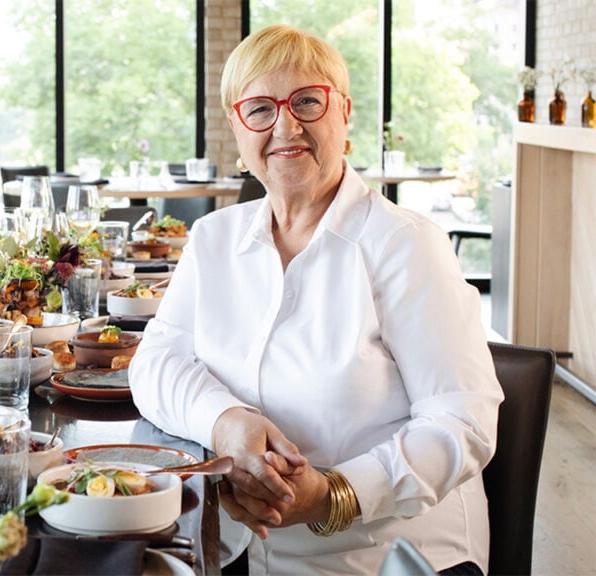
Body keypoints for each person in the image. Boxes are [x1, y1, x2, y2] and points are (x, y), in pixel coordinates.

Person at [129, 25, 503, 575]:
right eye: (259, 108)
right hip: (237, 549)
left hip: (384, 556)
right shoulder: (213, 239)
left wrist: (332, 494)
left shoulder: (404, 244)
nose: (286, 124)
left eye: (307, 100)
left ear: (343, 114)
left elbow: (462, 420)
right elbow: (155, 363)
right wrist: (225, 421)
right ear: (237, 127)